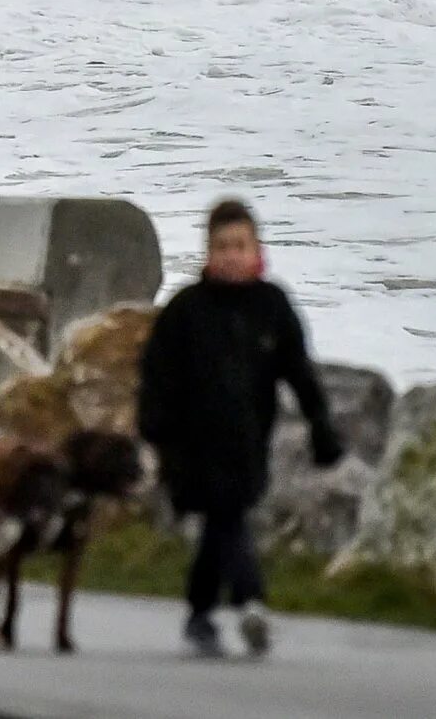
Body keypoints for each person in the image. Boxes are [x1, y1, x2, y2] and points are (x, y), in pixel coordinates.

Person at [136, 197, 344, 659]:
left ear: (257, 251)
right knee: (226, 514)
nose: (232, 255)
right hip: (190, 444)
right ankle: (251, 601)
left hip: (248, 441)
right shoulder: (186, 311)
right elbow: (156, 375)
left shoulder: (272, 306)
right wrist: (153, 431)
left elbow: (299, 373)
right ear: (208, 253)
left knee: (222, 522)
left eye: (240, 246)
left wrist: (321, 427)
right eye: (222, 246)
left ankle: (199, 612)